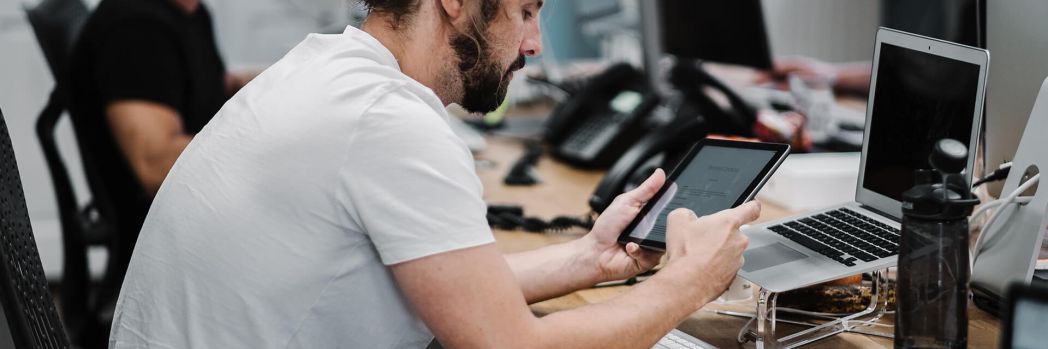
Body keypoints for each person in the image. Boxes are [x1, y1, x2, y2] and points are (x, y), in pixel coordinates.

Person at [107, 0, 758, 347]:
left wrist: (589, 258)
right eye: (526, 11)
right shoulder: (388, 120)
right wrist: (685, 283)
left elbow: (448, 288)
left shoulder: (326, 67)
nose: (535, 44)